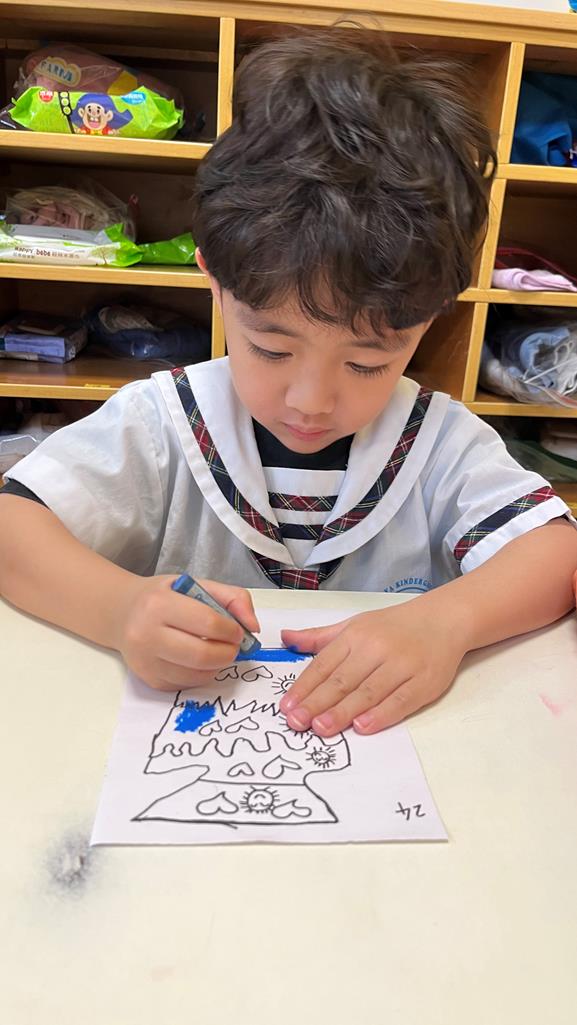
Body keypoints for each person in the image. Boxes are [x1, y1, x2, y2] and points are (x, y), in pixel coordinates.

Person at [1, 28, 576, 738]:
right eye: (271, 348)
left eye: (367, 363)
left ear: (430, 318)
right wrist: (117, 610)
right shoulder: (162, 420)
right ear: (215, 282)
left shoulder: (440, 441)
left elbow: (555, 553)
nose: (311, 401)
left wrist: (445, 621)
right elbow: (12, 526)